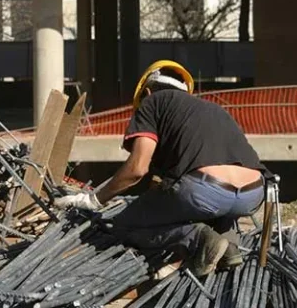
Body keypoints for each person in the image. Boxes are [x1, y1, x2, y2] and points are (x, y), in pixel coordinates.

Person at [54, 60, 268, 277]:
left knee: (123, 226)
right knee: (210, 206)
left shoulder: (153, 102)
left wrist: (93, 199)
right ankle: (229, 248)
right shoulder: (213, 109)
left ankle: (199, 239)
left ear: (146, 91)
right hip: (253, 194)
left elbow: (137, 169)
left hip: (206, 192)